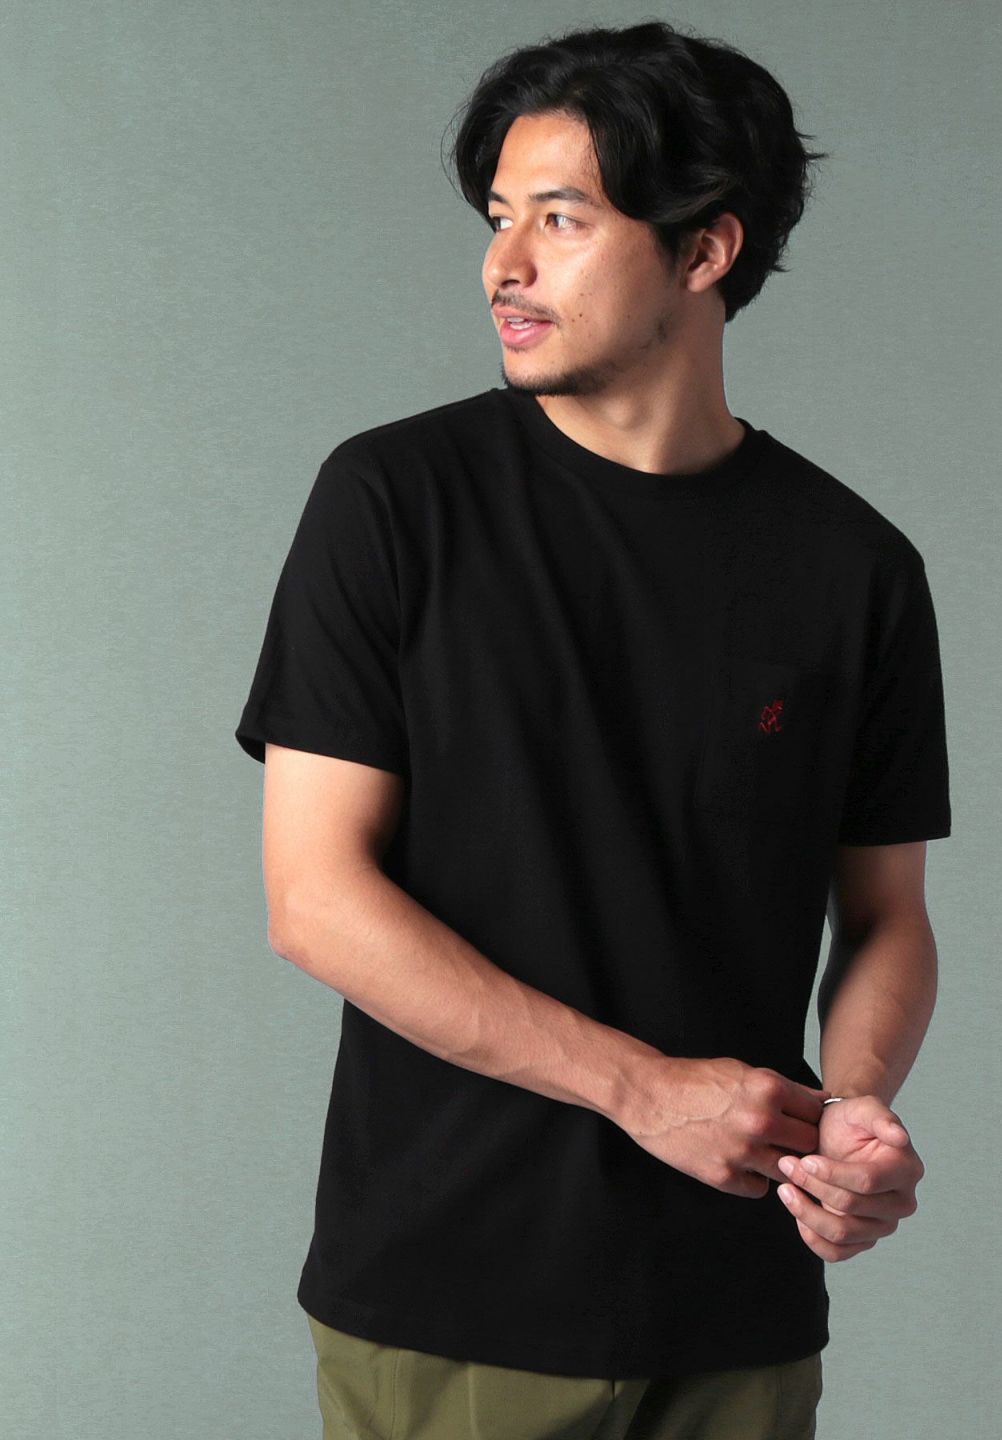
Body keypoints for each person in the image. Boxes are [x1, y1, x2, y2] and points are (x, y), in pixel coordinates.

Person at [234, 18, 951, 1439]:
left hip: (738, 1305)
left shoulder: (855, 568)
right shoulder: (393, 505)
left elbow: (887, 919)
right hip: (453, 1295)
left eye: (559, 219)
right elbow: (315, 901)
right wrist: (642, 1092)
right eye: (498, 219)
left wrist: (853, 1113)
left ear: (704, 251)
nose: (502, 265)